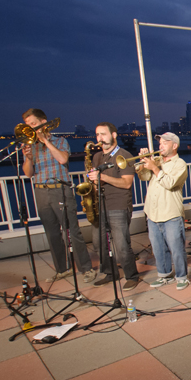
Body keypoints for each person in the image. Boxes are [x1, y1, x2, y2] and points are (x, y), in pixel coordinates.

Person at [20, 108, 96, 283]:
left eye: (33, 124)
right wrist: (29, 158)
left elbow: (62, 159)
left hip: (59, 189)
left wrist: (46, 142)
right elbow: (28, 173)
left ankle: (86, 268)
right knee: (52, 233)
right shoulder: (31, 146)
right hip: (40, 190)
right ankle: (62, 269)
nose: (30, 128)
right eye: (27, 125)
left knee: (72, 231)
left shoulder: (59, 141)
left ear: (43, 122)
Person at [87, 122, 140, 289]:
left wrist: (101, 177)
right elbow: (95, 181)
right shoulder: (96, 157)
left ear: (114, 135)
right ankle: (110, 273)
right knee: (98, 243)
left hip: (118, 204)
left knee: (122, 245)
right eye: (97, 135)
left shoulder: (124, 156)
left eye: (103, 134)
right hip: (101, 205)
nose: (100, 138)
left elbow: (126, 183)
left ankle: (132, 275)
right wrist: (92, 185)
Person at [137, 132, 189, 290]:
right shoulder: (157, 160)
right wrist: (143, 162)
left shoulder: (180, 164)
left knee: (176, 247)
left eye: (164, 143)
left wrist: (154, 168)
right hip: (152, 213)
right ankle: (164, 275)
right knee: (158, 247)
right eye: (159, 143)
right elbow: (144, 176)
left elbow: (170, 183)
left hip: (170, 213)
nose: (160, 146)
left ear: (174, 146)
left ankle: (182, 277)